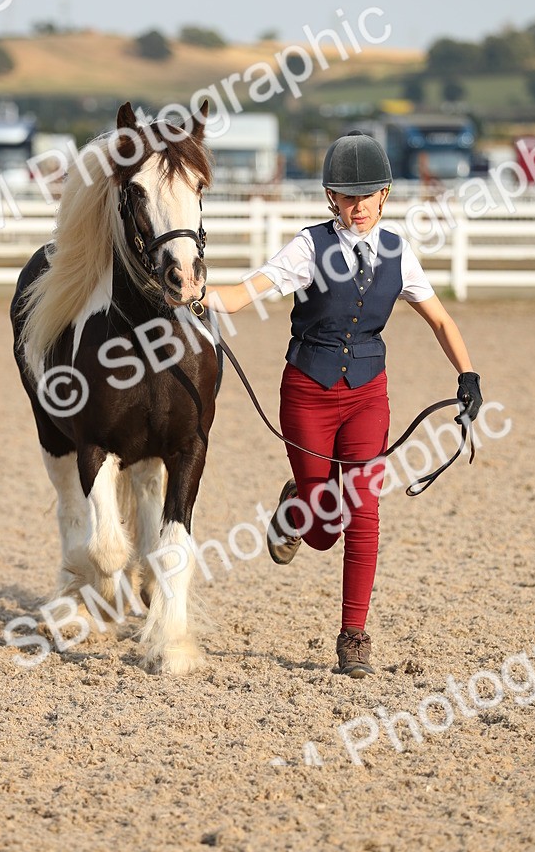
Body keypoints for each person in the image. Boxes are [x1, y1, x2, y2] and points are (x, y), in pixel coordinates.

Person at [202, 132, 482, 679]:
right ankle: (296, 508)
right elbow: (247, 291)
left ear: (385, 195)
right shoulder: (309, 247)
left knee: (364, 509)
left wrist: (467, 374)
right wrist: (198, 295)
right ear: (332, 197)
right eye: (347, 197)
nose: (358, 207)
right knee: (323, 529)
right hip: (307, 393)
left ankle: (354, 635)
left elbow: (441, 320)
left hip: (368, 395)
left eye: (367, 196)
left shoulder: (399, 253)